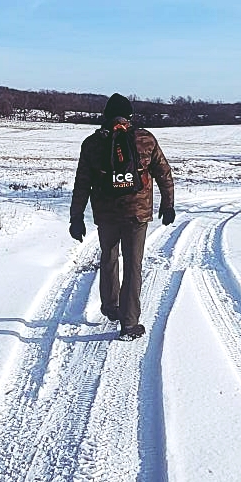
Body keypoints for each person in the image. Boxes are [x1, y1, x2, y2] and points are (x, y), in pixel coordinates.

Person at [69, 93, 175, 340]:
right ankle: (129, 324)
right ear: (130, 116)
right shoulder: (145, 139)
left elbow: (82, 183)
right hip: (137, 213)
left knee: (108, 257)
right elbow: (164, 173)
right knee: (133, 265)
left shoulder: (92, 143)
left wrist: (76, 217)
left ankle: (110, 307)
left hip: (106, 213)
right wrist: (167, 204)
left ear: (105, 116)